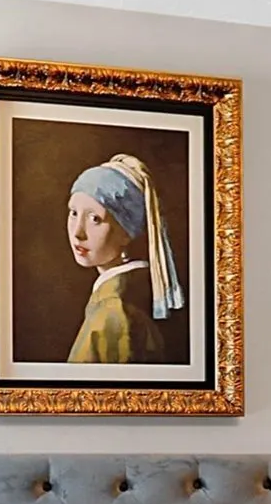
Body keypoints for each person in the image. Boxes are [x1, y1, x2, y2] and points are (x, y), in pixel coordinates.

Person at [61, 154, 184, 364]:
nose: (78, 232)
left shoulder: (113, 310)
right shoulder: (134, 291)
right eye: (73, 213)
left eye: (95, 219)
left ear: (127, 232)